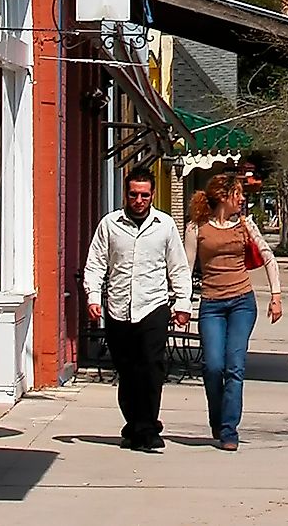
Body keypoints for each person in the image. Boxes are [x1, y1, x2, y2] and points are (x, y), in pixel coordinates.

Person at [83, 167, 192, 452]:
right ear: (126, 194)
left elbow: (178, 268)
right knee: (128, 371)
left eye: (144, 195)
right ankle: (134, 426)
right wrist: (93, 296)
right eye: (134, 194)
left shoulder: (165, 225)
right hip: (119, 307)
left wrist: (182, 304)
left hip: (154, 306)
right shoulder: (110, 225)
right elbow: (95, 263)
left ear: (152, 195)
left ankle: (148, 427)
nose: (139, 200)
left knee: (152, 368)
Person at [183, 174, 283, 451]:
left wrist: (276, 296)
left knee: (234, 367)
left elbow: (268, 257)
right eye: (237, 194)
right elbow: (185, 268)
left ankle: (229, 430)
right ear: (224, 196)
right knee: (213, 366)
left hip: (242, 303)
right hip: (211, 304)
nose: (241, 199)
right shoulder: (196, 228)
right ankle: (218, 418)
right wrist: (180, 304)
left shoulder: (245, 225)